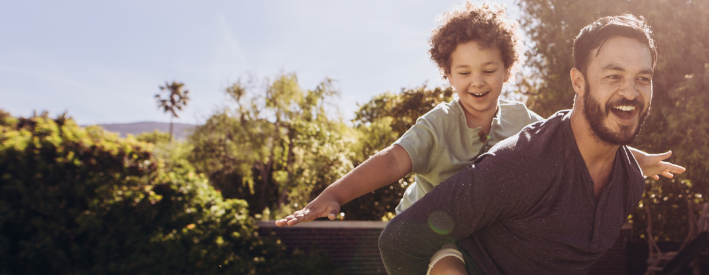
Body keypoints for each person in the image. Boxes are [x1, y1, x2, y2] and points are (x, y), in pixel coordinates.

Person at [274, 3, 682, 274]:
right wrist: (336, 194)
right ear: (448, 76)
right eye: (464, 73)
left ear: (507, 71)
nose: (477, 82)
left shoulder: (524, 121)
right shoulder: (440, 125)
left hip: (476, 223)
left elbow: (572, 144)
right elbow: (393, 161)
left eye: (489, 70)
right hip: (435, 225)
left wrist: (638, 159)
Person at [378, 14, 662, 274]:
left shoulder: (629, 184)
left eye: (643, 78)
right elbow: (399, 242)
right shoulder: (519, 162)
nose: (630, 91)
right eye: (613, 76)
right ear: (578, 82)